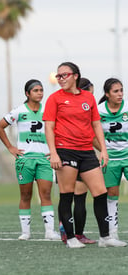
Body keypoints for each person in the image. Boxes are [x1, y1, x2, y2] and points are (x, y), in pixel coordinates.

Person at [43, 61, 126, 248]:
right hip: (65, 150)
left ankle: (105, 237)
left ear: (75, 76)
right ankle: (71, 238)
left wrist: (103, 150)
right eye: (58, 76)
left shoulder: (88, 98)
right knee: (67, 194)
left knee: (100, 193)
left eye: (64, 75)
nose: (60, 79)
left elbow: (96, 124)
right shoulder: (54, 99)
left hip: (87, 151)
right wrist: (54, 153)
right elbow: (49, 127)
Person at [0, 79, 60, 241]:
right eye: (36, 90)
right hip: (25, 160)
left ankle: (49, 231)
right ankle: (26, 232)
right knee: (25, 195)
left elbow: (56, 131)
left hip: (44, 160)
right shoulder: (19, 111)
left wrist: (54, 151)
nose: (40, 93)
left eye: (41, 90)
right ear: (27, 93)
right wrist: (11, 147)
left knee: (45, 193)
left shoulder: (48, 111)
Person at [58, 77, 96, 244]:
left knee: (73, 197)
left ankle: (72, 234)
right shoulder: (79, 108)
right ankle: (72, 234)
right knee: (73, 197)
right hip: (72, 154)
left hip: (75, 154)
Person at [97, 78, 127, 240]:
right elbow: (92, 133)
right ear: (107, 94)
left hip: (127, 156)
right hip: (110, 160)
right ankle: (112, 233)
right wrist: (103, 150)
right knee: (112, 194)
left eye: (121, 90)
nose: (120, 94)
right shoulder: (99, 111)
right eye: (116, 91)